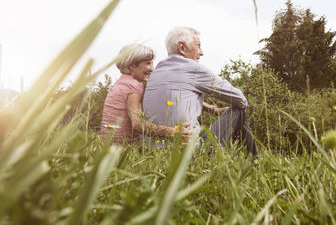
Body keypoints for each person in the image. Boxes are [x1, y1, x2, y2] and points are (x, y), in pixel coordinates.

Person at [143, 27, 257, 155]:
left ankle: (230, 158)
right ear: (182, 48)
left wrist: (213, 109)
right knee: (238, 111)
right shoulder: (193, 69)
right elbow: (240, 98)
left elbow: (179, 99)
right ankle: (253, 163)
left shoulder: (155, 73)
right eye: (198, 46)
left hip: (153, 152)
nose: (202, 52)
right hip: (188, 151)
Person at [100, 44, 191, 145]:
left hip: (105, 146)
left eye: (152, 63)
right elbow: (137, 124)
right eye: (148, 63)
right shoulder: (134, 86)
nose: (152, 68)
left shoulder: (119, 84)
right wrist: (172, 132)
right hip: (122, 150)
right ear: (132, 65)